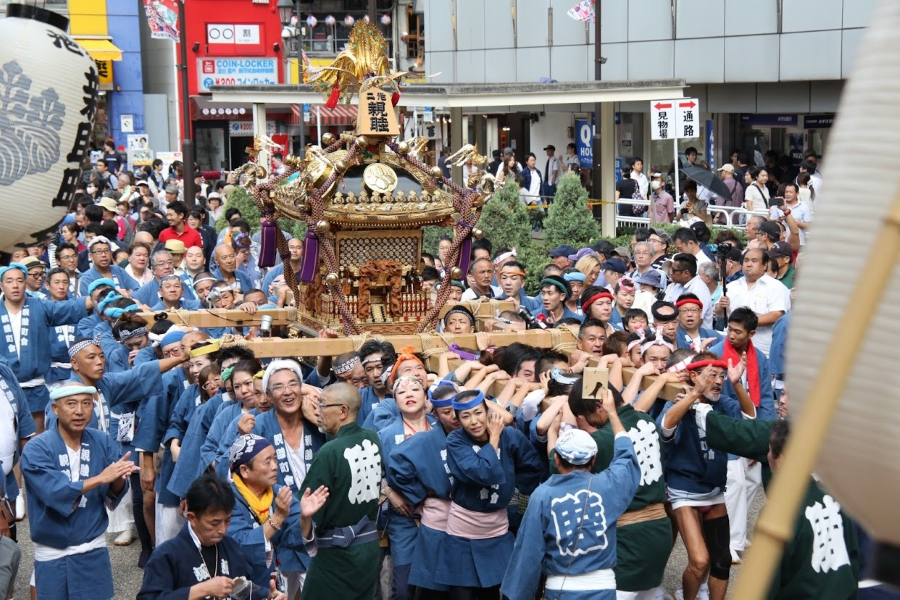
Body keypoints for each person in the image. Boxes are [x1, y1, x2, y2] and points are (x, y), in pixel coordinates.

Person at [502, 390, 642, 600]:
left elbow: (528, 552)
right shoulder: (609, 483)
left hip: (561, 588)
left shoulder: (543, 495)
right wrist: (612, 413)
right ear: (593, 459)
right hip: (603, 588)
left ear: (556, 458)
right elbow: (627, 458)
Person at [21, 383, 137, 600]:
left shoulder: (101, 440)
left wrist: (119, 478)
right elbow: (54, 491)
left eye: (86, 404)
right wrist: (102, 478)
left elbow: (113, 492)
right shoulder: (36, 448)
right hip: (52, 550)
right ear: (55, 409)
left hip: (92, 547)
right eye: (71, 404)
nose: (79, 411)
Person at [657, 355, 756, 600]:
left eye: (722, 376)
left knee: (721, 560)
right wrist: (693, 395)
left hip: (714, 489)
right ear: (694, 376)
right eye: (712, 374)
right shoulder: (679, 401)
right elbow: (665, 427)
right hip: (685, 490)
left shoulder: (723, 402)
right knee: (700, 561)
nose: (718, 381)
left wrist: (737, 383)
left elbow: (750, 417)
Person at [433, 390, 544, 597]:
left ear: (488, 412)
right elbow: (481, 472)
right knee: (462, 594)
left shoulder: (510, 435)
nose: (474, 421)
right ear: (458, 420)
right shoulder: (456, 441)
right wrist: (493, 438)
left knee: (493, 593)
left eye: (478, 413)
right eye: (465, 416)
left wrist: (511, 486)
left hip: (497, 529)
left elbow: (532, 466)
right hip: (462, 530)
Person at [138, 473, 292, 600]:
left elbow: (241, 587)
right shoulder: (167, 554)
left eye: (227, 521)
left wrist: (268, 596)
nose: (222, 529)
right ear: (192, 517)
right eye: (214, 523)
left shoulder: (230, 547)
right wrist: (201, 590)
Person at [299, 382, 383, 600]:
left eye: (323, 405)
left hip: (337, 552)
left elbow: (310, 506)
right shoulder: (372, 438)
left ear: (343, 411)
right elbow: (344, 443)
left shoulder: (329, 452)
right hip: (368, 548)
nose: (317, 410)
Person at [709, 308, 773, 563]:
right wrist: (742, 435)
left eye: (738, 331)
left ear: (752, 333)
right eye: (730, 330)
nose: (731, 335)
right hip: (728, 425)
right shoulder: (716, 353)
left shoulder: (761, 359)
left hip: (753, 423)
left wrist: (763, 435)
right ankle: (730, 541)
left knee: (755, 478)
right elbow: (715, 396)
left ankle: (737, 531)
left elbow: (766, 398)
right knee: (734, 481)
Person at [387, 382, 461, 597]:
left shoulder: (467, 434)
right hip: (413, 515)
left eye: (415, 389)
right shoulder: (389, 433)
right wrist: (418, 493)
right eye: (401, 391)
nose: (455, 416)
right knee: (408, 588)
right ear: (437, 413)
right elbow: (391, 467)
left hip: (459, 518)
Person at [0, 263, 92, 433]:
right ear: (1, 285)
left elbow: (67, 308)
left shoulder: (39, 305)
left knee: (35, 437)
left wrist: (96, 298)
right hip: (3, 387)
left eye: (20, 280)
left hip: (35, 385)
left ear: (25, 283)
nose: (15, 285)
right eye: (10, 281)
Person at [226, 433, 308, 592]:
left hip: (273, 577)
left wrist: (306, 517)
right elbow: (240, 546)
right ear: (244, 470)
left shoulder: (278, 492)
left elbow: (298, 535)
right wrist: (276, 519)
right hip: (238, 584)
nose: (274, 466)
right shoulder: (227, 499)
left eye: (275, 459)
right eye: (267, 461)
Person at [717, 248, 790, 357]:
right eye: (746, 261)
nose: (749, 264)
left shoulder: (776, 287)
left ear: (765, 265)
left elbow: (776, 315)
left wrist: (743, 324)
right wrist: (720, 307)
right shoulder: (731, 286)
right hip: (733, 347)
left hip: (762, 348)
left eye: (754, 261)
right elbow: (719, 313)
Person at [664, 254, 714, 330]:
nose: (670, 273)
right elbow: (666, 307)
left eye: (673, 270)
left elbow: (697, 321)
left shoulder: (699, 289)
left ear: (686, 273)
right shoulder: (678, 285)